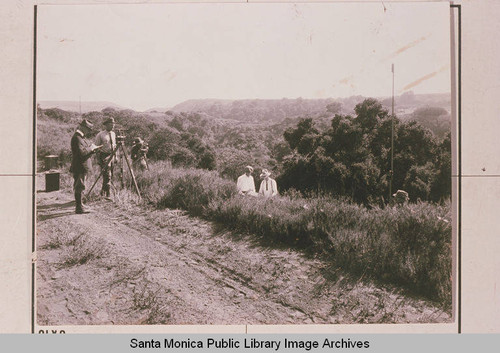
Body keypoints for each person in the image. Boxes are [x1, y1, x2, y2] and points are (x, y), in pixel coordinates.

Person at [70, 119, 101, 214]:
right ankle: (79, 208)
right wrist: (91, 149)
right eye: (88, 129)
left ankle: (81, 205)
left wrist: (92, 149)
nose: (89, 131)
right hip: (80, 166)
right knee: (80, 186)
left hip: (82, 166)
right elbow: (81, 152)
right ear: (82, 127)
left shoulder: (81, 138)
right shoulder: (77, 138)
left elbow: (84, 150)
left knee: (81, 186)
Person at [95, 117, 116, 198]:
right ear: (106, 125)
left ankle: (103, 192)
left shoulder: (113, 134)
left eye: (113, 124)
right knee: (107, 174)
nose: (112, 126)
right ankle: (108, 194)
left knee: (110, 174)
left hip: (112, 155)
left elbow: (114, 146)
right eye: (111, 124)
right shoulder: (100, 134)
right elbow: (96, 148)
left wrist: (116, 156)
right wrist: (98, 159)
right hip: (104, 155)